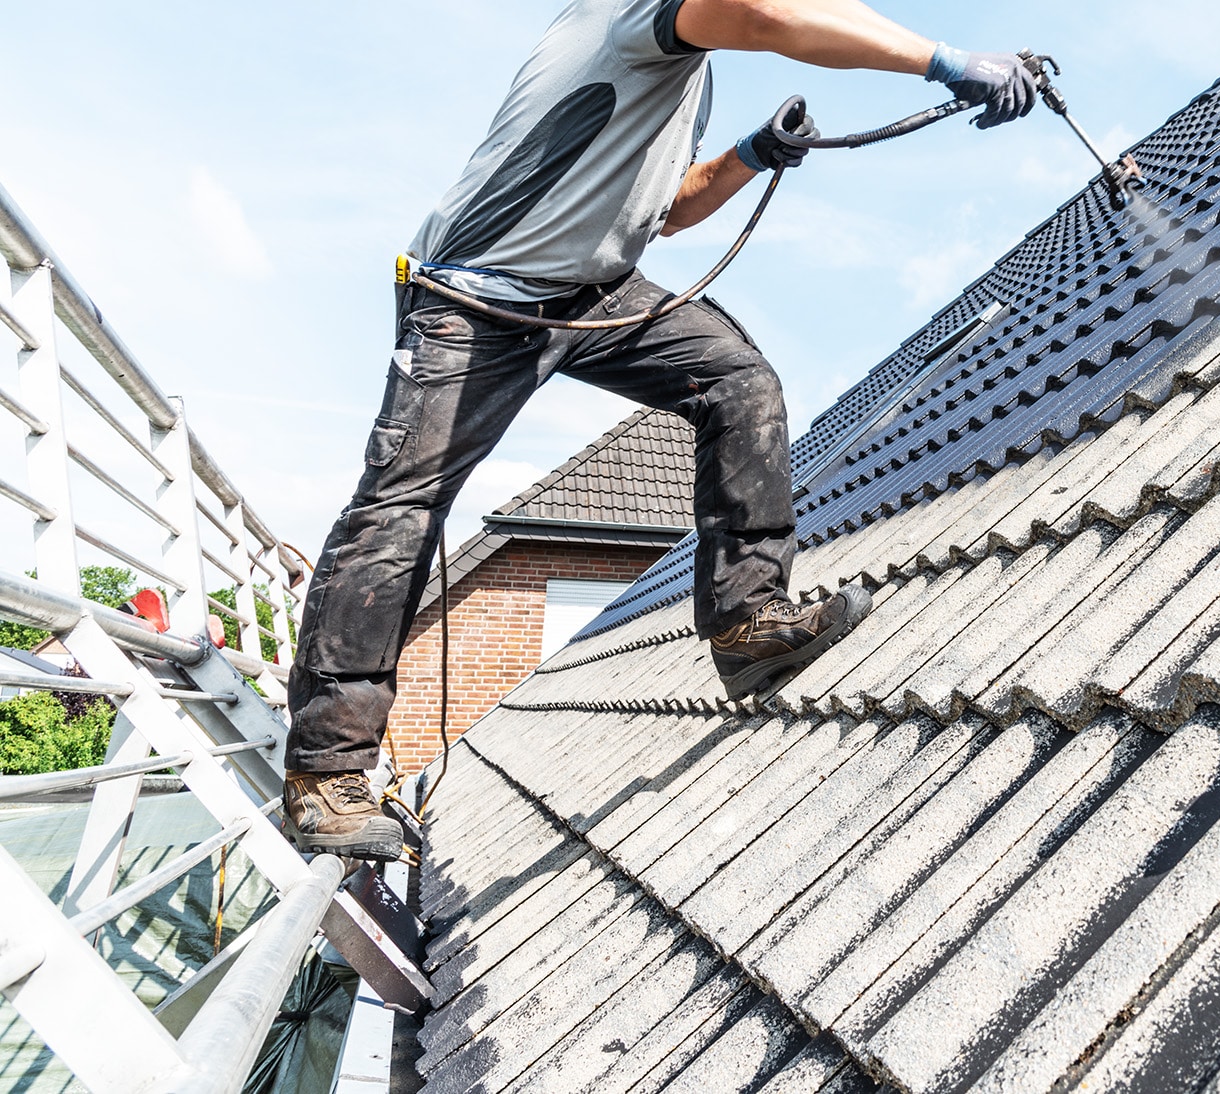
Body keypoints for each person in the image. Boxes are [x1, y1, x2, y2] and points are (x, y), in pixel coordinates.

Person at [279, 0, 1039, 861]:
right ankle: (325, 775)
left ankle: (747, 623)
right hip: (478, 296)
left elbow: (667, 210)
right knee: (401, 508)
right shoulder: (627, 13)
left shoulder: (686, 76)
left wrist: (750, 157)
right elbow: (765, 13)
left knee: (738, 381)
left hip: (586, 292)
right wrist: (944, 58)